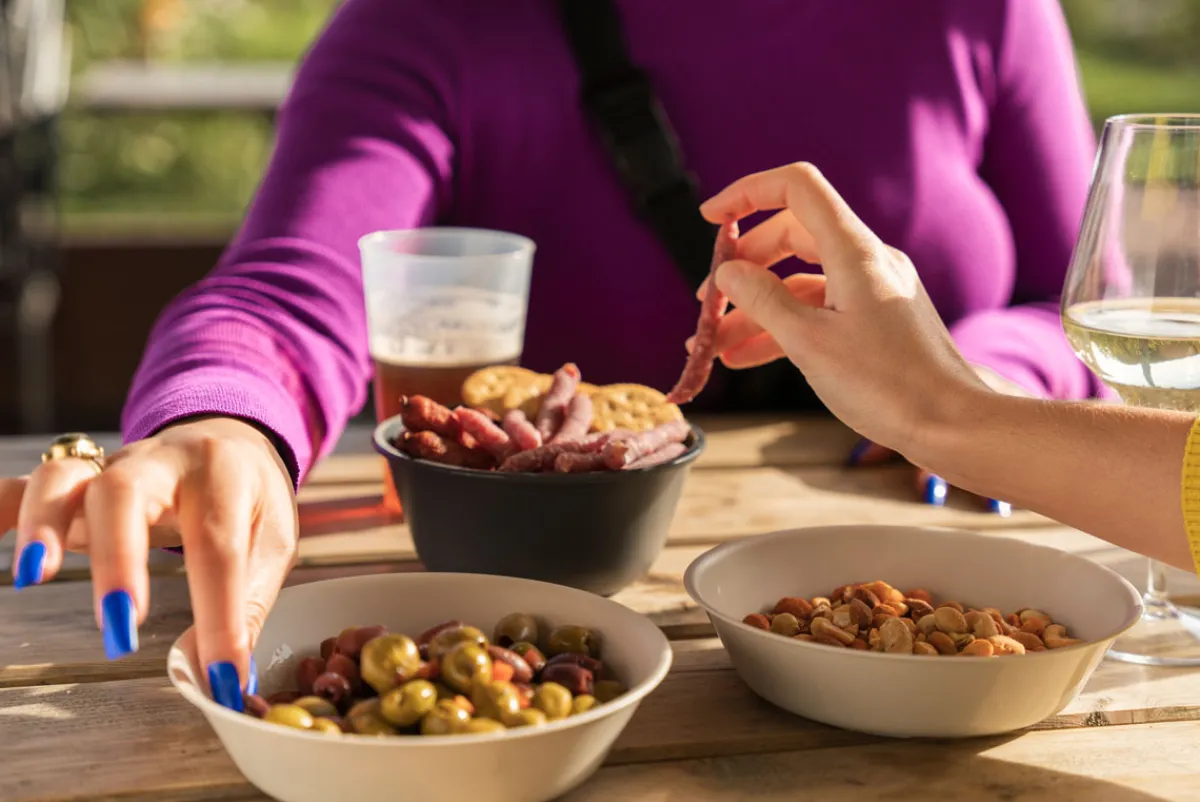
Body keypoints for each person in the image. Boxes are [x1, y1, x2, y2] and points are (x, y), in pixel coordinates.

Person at [2, 1, 1100, 708]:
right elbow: (290, 289)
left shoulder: (986, 11)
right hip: (574, 622)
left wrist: (977, 387)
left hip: (956, 572)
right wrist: (226, 418)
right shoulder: (430, 23)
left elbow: (1089, 300)